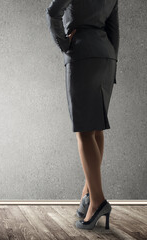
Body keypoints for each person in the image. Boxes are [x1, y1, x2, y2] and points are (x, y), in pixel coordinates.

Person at [46, 0, 119, 230]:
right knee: (96, 127)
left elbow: (53, 12)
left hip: (82, 55)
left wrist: (65, 44)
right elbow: (113, 30)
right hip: (106, 58)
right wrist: (111, 63)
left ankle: (98, 202)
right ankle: (88, 195)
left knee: (84, 131)